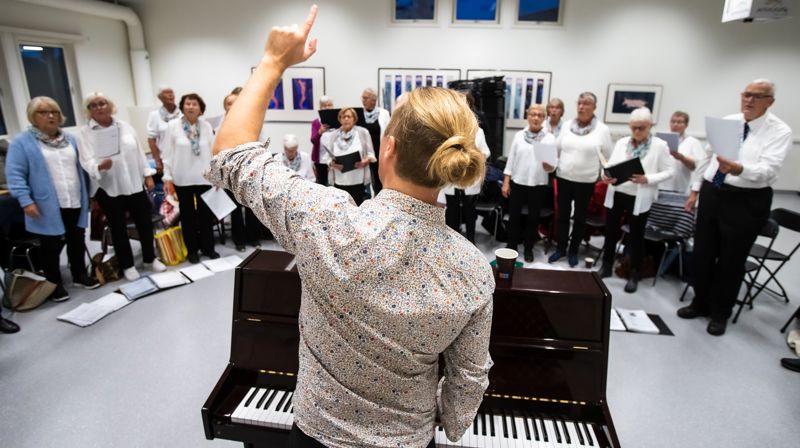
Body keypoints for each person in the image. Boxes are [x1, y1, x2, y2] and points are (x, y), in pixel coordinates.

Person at [207, 6, 493, 447]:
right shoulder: (473, 269)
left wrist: (272, 62)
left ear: (389, 149)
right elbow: (468, 378)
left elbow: (231, 155)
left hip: (318, 436)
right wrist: (449, 424)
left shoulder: (324, 219)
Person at [678, 79, 792, 336]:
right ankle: (700, 302)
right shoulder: (728, 122)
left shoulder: (779, 131)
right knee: (703, 252)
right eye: (746, 94)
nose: (749, 101)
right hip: (713, 192)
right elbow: (707, 158)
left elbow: (769, 170)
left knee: (731, 259)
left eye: (757, 96)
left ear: (770, 101)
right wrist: (696, 189)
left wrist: (741, 169)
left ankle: (720, 313)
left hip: (746, 199)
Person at [5, 96, 99, 303]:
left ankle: (79, 275)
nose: (51, 116)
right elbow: (15, 174)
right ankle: (53, 284)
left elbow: (83, 168)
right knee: (50, 245)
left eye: (54, 112)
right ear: (33, 117)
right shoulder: (22, 142)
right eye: (44, 112)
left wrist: (90, 195)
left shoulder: (71, 139)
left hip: (74, 198)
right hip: (45, 203)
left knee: (77, 238)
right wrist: (26, 201)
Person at [77, 93, 166, 281]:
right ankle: (127, 265)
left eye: (102, 103)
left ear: (110, 106)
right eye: (94, 105)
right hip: (109, 187)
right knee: (118, 229)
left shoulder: (124, 126)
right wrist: (99, 166)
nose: (99, 107)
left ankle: (150, 258)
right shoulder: (85, 133)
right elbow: (85, 160)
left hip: (134, 184)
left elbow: (139, 153)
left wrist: (147, 175)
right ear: (89, 110)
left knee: (145, 223)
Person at [599, 108, 673, 293]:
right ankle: (607, 265)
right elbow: (611, 165)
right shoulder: (623, 142)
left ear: (650, 126)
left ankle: (634, 273)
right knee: (610, 231)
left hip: (639, 196)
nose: (637, 132)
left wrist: (647, 179)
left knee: (636, 236)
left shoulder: (659, 146)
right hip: (618, 191)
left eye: (641, 128)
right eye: (634, 128)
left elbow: (670, 171)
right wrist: (606, 175)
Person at [549, 92, 613, 267]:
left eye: (586, 104)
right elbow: (557, 149)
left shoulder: (602, 130)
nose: (581, 107)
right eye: (579, 103)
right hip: (563, 178)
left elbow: (607, 157)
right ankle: (561, 248)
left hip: (586, 181)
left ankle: (573, 251)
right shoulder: (567, 125)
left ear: (594, 107)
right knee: (562, 215)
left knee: (579, 217)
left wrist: (604, 175)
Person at [161, 93, 219, 264]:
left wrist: (216, 176)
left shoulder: (206, 126)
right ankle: (192, 251)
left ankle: (208, 248)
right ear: (182, 107)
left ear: (200, 109)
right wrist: (167, 176)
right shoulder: (173, 126)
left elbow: (212, 151)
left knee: (205, 216)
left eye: (195, 104)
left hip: (204, 178)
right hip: (182, 178)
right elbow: (167, 153)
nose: (191, 107)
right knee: (187, 217)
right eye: (188, 104)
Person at [502, 104, 556, 262]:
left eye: (540, 115)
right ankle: (512, 246)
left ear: (544, 118)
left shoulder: (549, 138)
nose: (536, 118)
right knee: (514, 217)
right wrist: (506, 182)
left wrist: (549, 165)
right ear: (528, 116)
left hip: (538, 184)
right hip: (518, 181)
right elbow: (511, 160)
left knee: (533, 219)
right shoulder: (519, 135)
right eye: (533, 114)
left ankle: (528, 248)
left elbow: (552, 166)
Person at [219, 88, 266, 251]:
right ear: (225, 106)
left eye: (235, 102)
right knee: (235, 209)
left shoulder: (250, 119)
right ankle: (239, 240)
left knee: (250, 206)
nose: (232, 106)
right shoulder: (220, 125)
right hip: (230, 172)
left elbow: (261, 144)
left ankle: (253, 237)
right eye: (229, 103)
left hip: (249, 171)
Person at [441, 125, 490, 243]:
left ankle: (471, 241)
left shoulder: (478, 131)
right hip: (453, 175)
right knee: (452, 210)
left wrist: (473, 157)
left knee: (470, 210)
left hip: (470, 175)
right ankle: (452, 242)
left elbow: (486, 152)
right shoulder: (448, 127)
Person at [319, 108, 375, 206]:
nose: (346, 119)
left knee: (357, 208)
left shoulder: (363, 132)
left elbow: (371, 154)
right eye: (343, 117)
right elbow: (326, 157)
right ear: (340, 119)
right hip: (339, 180)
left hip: (357, 180)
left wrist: (364, 161)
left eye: (349, 116)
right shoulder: (333, 135)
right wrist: (333, 164)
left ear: (354, 119)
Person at [660, 111, 704, 194]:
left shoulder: (692, 142)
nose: (675, 125)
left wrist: (681, 158)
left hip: (679, 188)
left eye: (679, 122)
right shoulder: (661, 140)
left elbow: (697, 166)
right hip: (659, 186)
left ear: (686, 125)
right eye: (673, 122)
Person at [361, 88, 391, 195]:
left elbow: (389, 133)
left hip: (379, 152)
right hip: (364, 155)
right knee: (365, 183)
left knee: (379, 182)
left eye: (365, 98)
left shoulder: (384, 113)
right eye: (362, 98)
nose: (363, 100)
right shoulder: (359, 114)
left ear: (374, 100)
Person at [146, 86, 181, 175]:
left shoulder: (182, 113)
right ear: (160, 97)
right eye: (166, 93)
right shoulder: (155, 115)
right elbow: (151, 139)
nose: (170, 95)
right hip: (166, 158)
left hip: (183, 157)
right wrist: (157, 160)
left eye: (172, 93)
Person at [310, 96, 333, 185]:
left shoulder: (338, 121)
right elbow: (313, 141)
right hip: (320, 160)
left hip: (333, 160)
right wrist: (319, 132)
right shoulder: (316, 122)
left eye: (329, 105)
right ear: (320, 107)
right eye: (324, 105)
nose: (327, 107)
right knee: (322, 184)